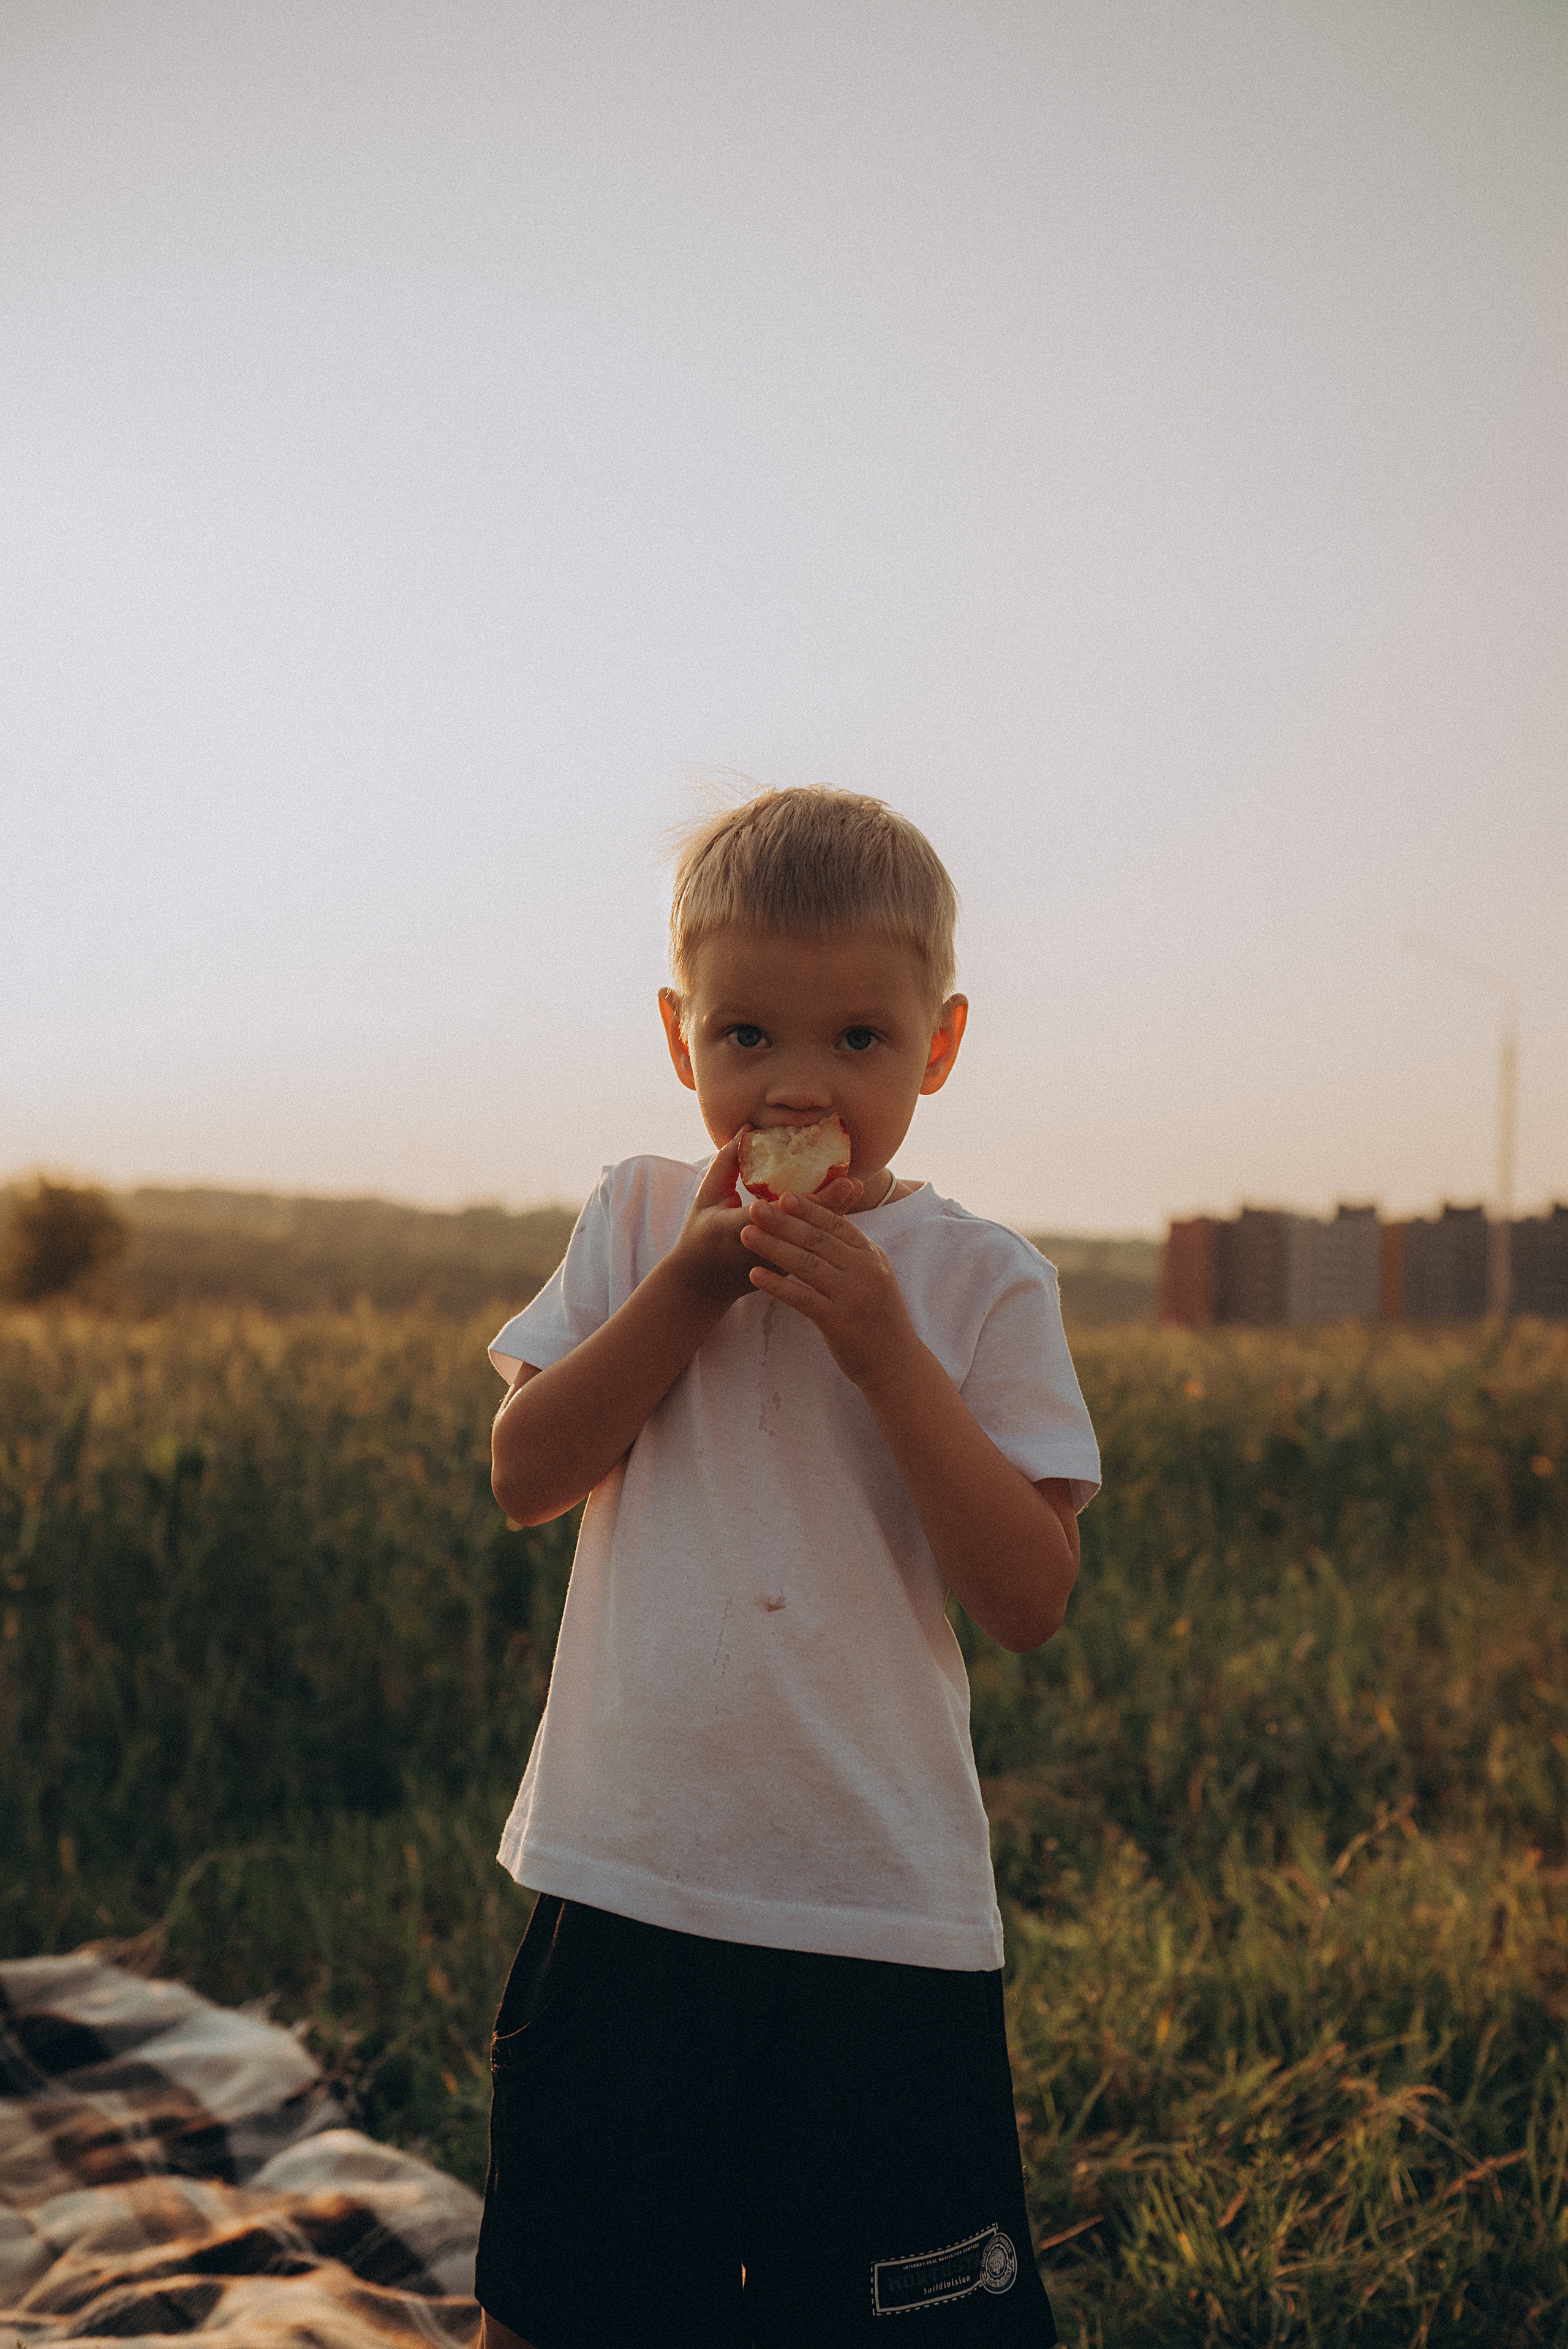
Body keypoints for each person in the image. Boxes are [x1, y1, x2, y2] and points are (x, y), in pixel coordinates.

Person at [477, 786, 1100, 2349]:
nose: (795, 1085)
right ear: (682, 1037)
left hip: (876, 1914)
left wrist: (889, 1353)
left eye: (858, 1044)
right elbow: (524, 1475)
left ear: (938, 1047)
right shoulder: (633, 1219)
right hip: (625, 1879)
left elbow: (1026, 1595)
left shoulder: (975, 1279)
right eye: (747, 1037)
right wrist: (686, 1289)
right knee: (573, 2305)